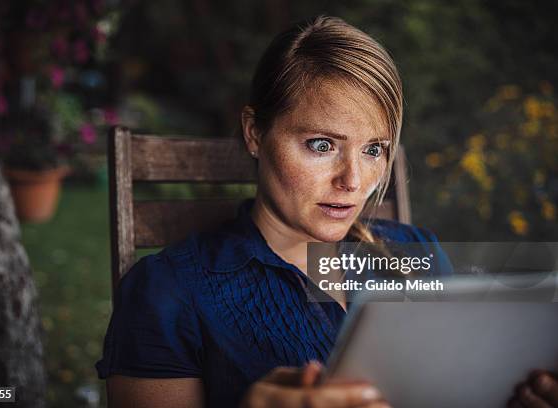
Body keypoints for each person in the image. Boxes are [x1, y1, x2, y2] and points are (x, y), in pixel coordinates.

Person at [96, 15, 558, 408]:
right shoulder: (169, 291)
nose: (353, 181)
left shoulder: (415, 251)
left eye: (374, 149)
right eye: (321, 145)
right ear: (255, 132)